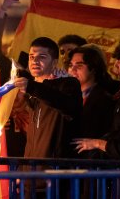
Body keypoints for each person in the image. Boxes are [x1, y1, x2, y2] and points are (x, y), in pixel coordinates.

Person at [14, 37, 82, 196]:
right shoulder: (33, 92)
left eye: (42, 57)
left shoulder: (69, 84)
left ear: (54, 62)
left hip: (54, 180)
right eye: (32, 57)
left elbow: (65, 104)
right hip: (29, 179)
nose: (34, 61)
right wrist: (22, 172)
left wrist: (32, 86)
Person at [67, 46, 115, 154]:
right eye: (70, 65)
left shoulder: (104, 99)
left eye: (79, 66)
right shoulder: (67, 95)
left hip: (90, 161)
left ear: (93, 69)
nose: (72, 70)